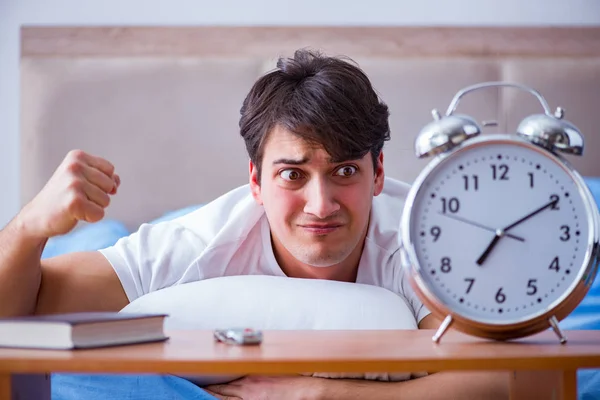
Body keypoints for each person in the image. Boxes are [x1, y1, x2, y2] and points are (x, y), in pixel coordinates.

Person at [0, 49, 508, 399]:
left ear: (378, 173)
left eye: (345, 171)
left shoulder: (426, 241)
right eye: (293, 174)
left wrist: (320, 393)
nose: (320, 203)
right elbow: (20, 316)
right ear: (256, 181)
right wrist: (28, 229)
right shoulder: (195, 244)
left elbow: (501, 383)